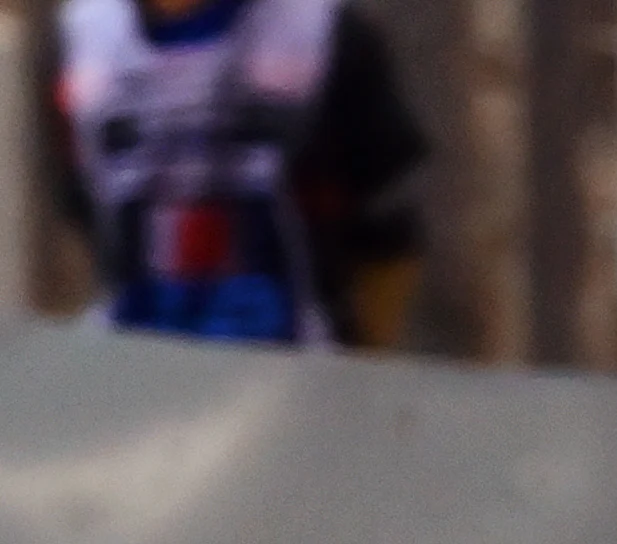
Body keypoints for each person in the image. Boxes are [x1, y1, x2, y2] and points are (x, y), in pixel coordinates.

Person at [51, 0, 428, 348]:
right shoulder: (84, 41)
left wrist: (360, 379)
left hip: (299, 372)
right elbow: (86, 215)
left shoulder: (327, 31)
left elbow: (387, 229)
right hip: (134, 370)